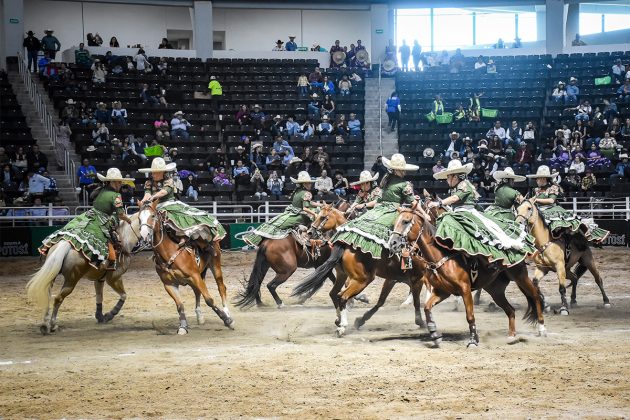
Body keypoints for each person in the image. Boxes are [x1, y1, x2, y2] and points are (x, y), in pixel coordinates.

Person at [430, 160, 534, 267]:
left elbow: (456, 198)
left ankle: (489, 258)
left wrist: (440, 202)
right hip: (460, 212)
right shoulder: (457, 186)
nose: (447, 180)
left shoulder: (464, 184)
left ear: (455, 177)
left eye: (448, 177)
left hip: (467, 213)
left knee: (477, 233)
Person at [40, 168, 132, 270]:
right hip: (103, 219)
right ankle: (110, 261)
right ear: (114, 182)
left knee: (76, 227)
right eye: (119, 182)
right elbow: (120, 215)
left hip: (89, 215)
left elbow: (93, 197)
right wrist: (128, 220)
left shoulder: (101, 190)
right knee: (111, 237)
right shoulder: (116, 195)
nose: (120, 184)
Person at [330, 154, 417, 258]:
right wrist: (349, 209)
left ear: (369, 183)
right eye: (362, 184)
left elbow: (376, 201)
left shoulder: (378, 189)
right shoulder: (364, 191)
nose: (363, 185)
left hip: (376, 209)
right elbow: (356, 203)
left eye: (365, 183)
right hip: (378, 210)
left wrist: (363, 205)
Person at [139, 158, 226, 250]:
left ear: (162, 172)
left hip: (168, 204)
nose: (153, 174)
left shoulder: (169, 180)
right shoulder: (149, 182)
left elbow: (164, 192)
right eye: (153, 172)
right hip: (154, 206)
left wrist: (153, 197)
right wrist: (143, 201)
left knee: (180, 217)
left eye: (156, 172)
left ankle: (184, 236)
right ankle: (144, 239)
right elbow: (147, 194)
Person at [526, 165, 608, 243]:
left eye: (537, 179)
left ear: (543, 179)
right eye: (536, 179)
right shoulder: (535, 190)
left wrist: (536, 199)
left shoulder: (553, 187)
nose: (536, 180)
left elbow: (551, 200)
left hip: (551, 210)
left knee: (567, 223)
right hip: (539, 210)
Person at [243, 171, 320, 246]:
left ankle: (256, 238)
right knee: (279, 224)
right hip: (300, 216)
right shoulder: (306, 193)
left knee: (275, 222)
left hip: (294, 213)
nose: (311, 184)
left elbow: (308, 203)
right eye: (309, 183)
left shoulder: (298, 191)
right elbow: (305, 208)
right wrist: (315, 214)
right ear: (304, 184)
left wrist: (318, 205)